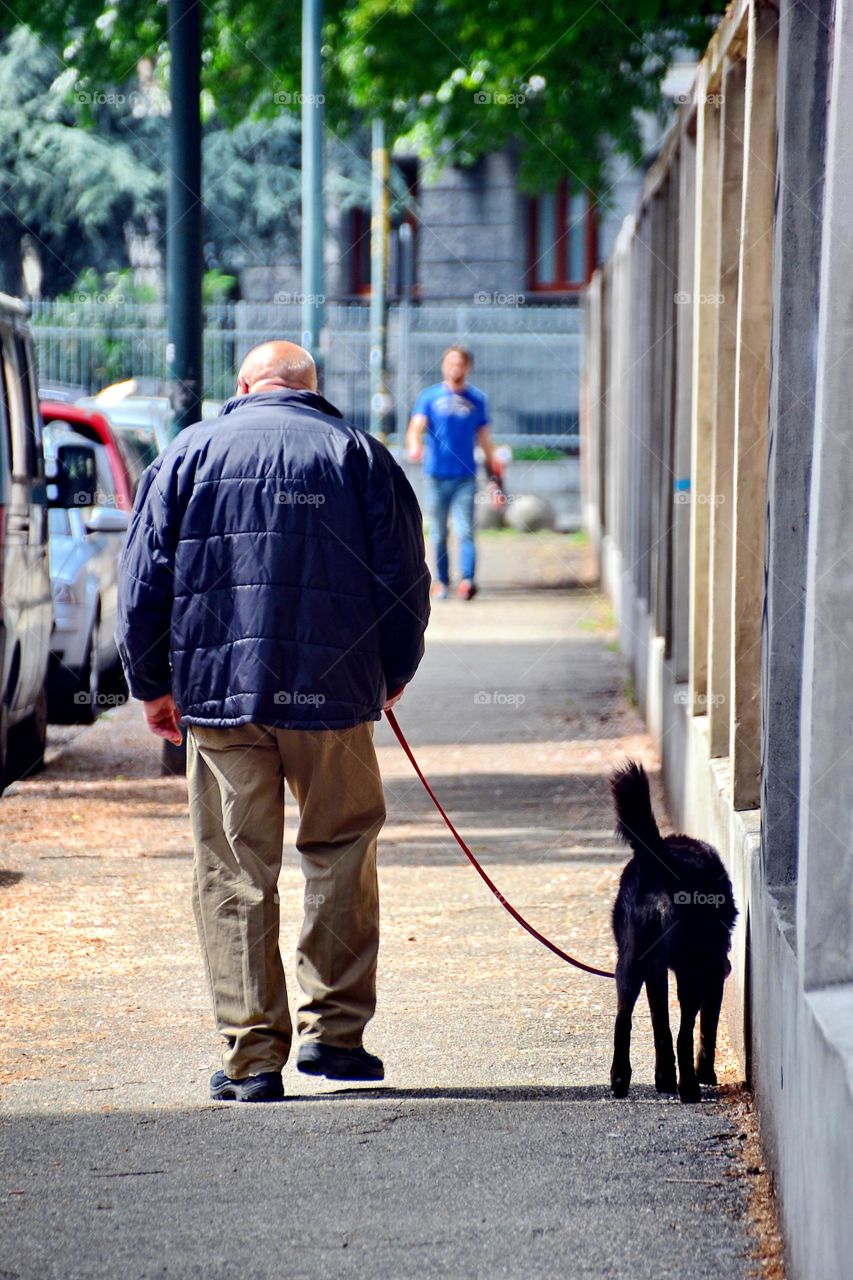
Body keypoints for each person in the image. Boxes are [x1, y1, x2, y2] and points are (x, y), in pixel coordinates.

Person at [117, 341, 430, 1102]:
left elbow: (143, 581)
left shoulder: (187, 455)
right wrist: (390, 675)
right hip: (333, 697)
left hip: (221, 697)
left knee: (233, 871)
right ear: (310, 390)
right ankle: (337, 1038)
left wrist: (152, 685)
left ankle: (253, 1056)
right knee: (342, 851)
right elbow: (404, 581)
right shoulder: (358, 455)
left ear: (244, 386)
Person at [406, 344, 499, 601]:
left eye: (460, 363)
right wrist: (414, 446)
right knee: (437, 531)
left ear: (467, 368)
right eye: (450, 363)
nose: (455, 367)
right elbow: (416, 428)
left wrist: (495, 475)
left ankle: (467, 581)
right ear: (444, 366)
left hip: (465, 477)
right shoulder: (429, 397)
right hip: (435, 475)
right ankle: (441, 582)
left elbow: (485, 439)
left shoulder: (477, 400)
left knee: (465, 529)